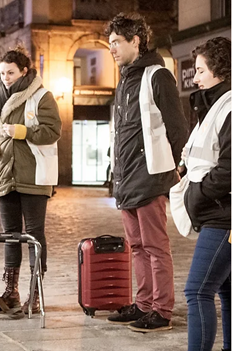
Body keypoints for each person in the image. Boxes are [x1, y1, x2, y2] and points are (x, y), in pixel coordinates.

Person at [104, 13, 189, 332]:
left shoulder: (157, 75)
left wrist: (179, 168)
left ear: (135, 41)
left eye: (116, 42)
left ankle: (162, 310)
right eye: (109, 42)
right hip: (126, 179)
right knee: (137, 246)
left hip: (150, 176)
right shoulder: (125, 79)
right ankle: (143, 304)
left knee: (155, 246)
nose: (111, 48)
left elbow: (177, 126)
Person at [0, 46, 61, 313]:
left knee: (35, 235)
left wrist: (21, 131)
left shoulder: (41, 96)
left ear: (24, 71)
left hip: (34, 175)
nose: (6, 77)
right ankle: (10, 291)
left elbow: (53, 130)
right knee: (10, 235)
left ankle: (35, 294)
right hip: (4, 174)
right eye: (2, 72)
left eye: (11, 72)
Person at [182, 37, 231, 351]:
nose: (195, 77)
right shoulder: (213, 106)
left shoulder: (228, 106)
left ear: (219, 71)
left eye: (200, 70)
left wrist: (199, 194)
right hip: (219, 213)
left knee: (197, 291)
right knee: (226, 292)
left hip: (222, 216)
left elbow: (229, 167)